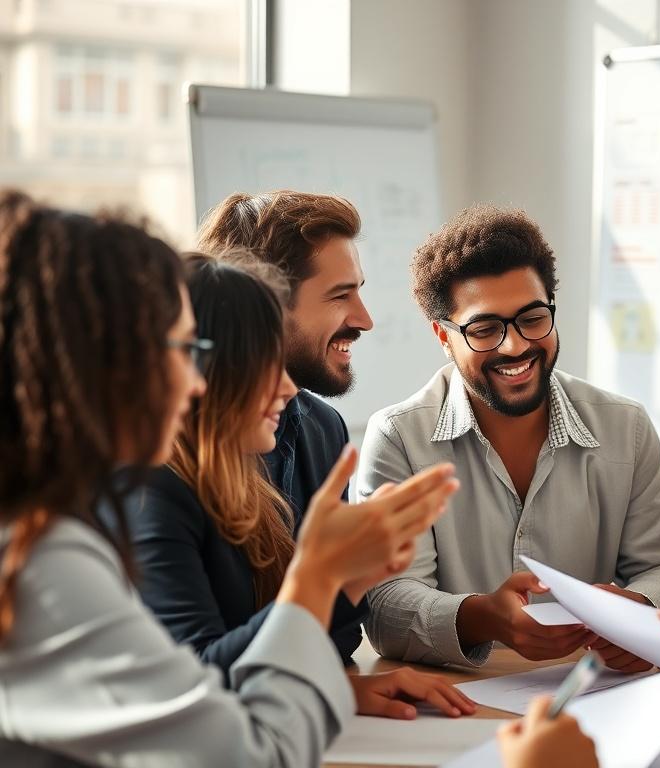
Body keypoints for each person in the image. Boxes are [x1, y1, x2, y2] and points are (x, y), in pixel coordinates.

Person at [0, 190, 458, 766]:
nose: (194, 381)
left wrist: (337, 587)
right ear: (104, 361)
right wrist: (320, 577)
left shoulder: (54, 533)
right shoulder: (44, 561)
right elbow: (247, 755)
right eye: (180, 347)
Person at [124, 253, 475, 720]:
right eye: (264, 363)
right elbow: (193, 683)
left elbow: (317, 643)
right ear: (202, 370)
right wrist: (322, 576)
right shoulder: (151, 491)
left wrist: (351, 582)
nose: (289, 390)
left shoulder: (250, 482)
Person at [358, 204, 660, 671]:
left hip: (596, 691)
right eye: (485, 329)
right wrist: (483, 619)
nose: (514, 345)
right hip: (456, 699)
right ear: (443, 335)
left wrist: (639, 605)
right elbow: (384, 604)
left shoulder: (626, 427)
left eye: (532, 318)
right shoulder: (398, 437)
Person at [196, 190, 373, 662]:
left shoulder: (322, 427)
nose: (365, 319)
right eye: (340, 295)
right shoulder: (173, 461)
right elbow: (193, 665)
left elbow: (340, 638)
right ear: (266, 307)